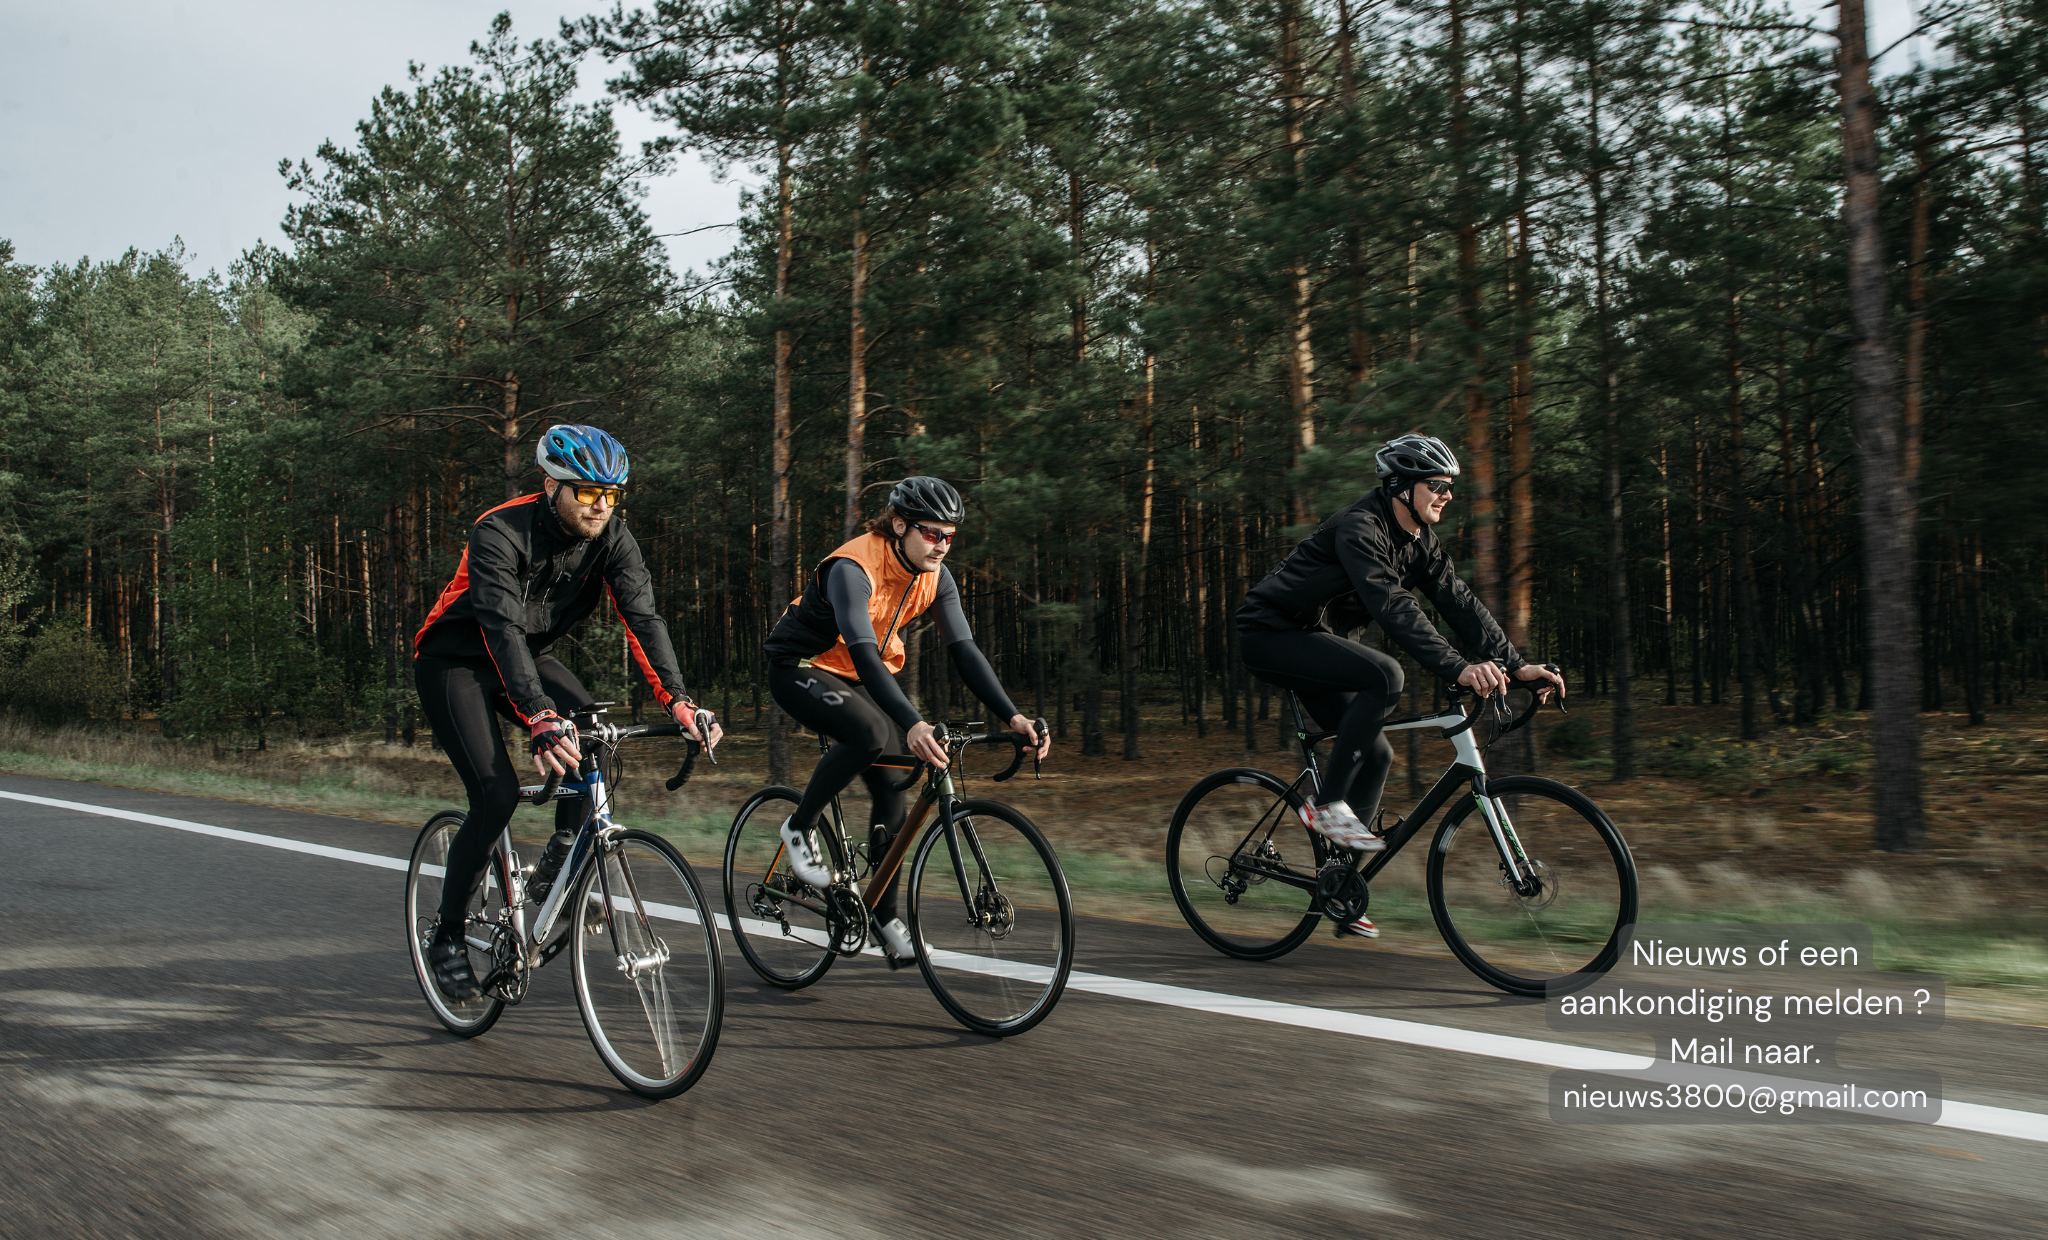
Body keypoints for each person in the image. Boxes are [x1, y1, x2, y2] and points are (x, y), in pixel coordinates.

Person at [413, 424, 720, 1001]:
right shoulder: (499, 530)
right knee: (496, 795)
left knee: (594, 730)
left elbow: (644, 620)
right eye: (586, 492)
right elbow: (500, 627)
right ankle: (448, 937)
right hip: (455, 661)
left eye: (612, 494)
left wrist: (679, 700)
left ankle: (561, 856)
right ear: (551, 483)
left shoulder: (613, 538)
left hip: (527, 658)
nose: (601, 506)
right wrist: (539, 716)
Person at [1235, 432, 1564, 938]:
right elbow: (1392, 606)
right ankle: (1327, 810)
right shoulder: (1359, 528)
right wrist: (1458, 667)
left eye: (1451, 487)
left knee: (1380, 753)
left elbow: (1460, 603)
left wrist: (1515, 666)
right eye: (1437, 485)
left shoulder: (1420, 543)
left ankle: (1339, 886)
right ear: (1400, 486)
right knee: (1386, 674)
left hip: (1314, 639)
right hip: (1270, 633)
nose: (1447, 495)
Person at [762, 476, 1050, 962]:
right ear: (899, 525)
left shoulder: (936, 576)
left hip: (855, 675)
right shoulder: (853, 567)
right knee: (874, 732)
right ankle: (799, 828)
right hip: (801, 666)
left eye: (950, 536)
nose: (942, 545)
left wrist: (1014, 715)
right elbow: (866, 652)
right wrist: (913, 721)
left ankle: (882, 914)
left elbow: (965, 651)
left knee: (894, 777)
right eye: (932, 533)